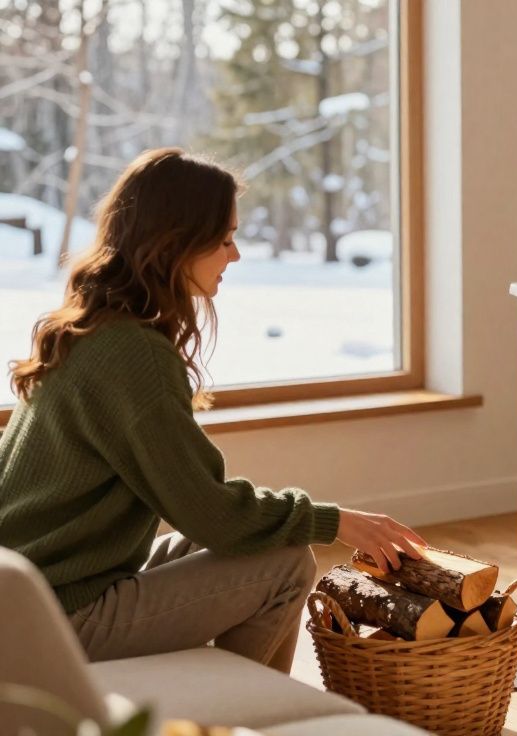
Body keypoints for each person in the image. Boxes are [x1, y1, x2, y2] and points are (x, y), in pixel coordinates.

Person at [0, 148, 428, 674]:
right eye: (225, 240)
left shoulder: (91, 329)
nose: (236, 255)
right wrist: (335, 521)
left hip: (28, 597)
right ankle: (238, 708)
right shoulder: (132, 354)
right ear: (176, 242)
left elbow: (203, 513)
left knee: (249, 544)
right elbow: (214, 512)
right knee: (287, 563)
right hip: (53, 617)